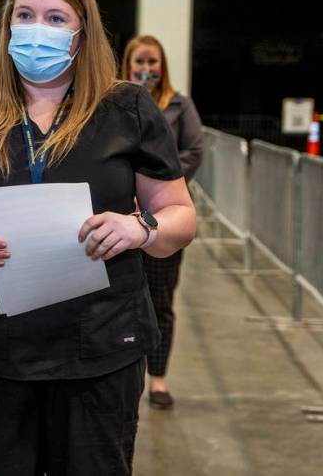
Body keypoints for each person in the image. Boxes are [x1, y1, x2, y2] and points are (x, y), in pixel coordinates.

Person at [0, 0, 196, 475]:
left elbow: (180, 216)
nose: (37, 29)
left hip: (99, 349)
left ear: (82, 34)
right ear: (7, 26)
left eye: (56, 18)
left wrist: (139, 229)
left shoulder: (126, 109)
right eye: (25, 14)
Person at [122, 35, 203, 410]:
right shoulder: (113, 103)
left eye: (153, 61)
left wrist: (157, 185)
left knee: (160, 300)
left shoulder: (180, 106)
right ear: (127, 64)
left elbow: (194, 150)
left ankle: (158, 378)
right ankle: (125, 373)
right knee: (119, 298)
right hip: (120, 216)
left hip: (161, 217)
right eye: (140, 61)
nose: (147, 69)